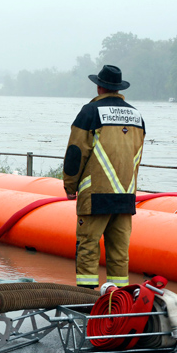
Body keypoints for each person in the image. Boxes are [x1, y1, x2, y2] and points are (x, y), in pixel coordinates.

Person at [63, 65, 145, 290]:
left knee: (88, 247)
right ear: (118, 88)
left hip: (96, 195)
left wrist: (70, 186)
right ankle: (120, 302)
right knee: (119, 253)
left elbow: (75, 153)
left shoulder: (90, 112)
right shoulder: (137, 115)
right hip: (126, 196)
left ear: (99, 87)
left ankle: (87, 301)